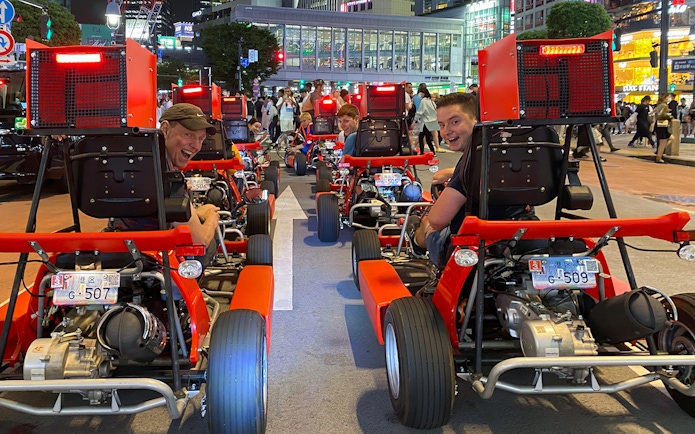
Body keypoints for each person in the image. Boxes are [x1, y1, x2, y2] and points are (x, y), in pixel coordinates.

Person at [111, 103, 220, 248]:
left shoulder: (130, 161)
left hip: (117, 242)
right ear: (165, 129)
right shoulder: (167, 177)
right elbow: (199, 240)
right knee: (212, 243)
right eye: (188, 135)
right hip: (156, 252)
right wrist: (211, 216)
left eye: (201, 139)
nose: (196, 146)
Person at [410, 92, 479, 268]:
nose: (447, 131)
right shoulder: (505, 153)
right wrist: (451, 172)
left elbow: (438, 220)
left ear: (476, 120)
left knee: (428, 223)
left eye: (455, 122)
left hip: (471, 246)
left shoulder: (470, 164)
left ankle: (415, 245)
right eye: (442, 124)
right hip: (522, 234)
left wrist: (433, 221)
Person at [414, 88, 441, 155]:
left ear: (423, 93)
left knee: (421, 137)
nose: (420, 95)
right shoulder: (430, 101)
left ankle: (422, 152)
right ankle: (432, 152)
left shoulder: (424, 101)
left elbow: (421, 111)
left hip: (425, 122)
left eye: (420, 93)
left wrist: (415, 119)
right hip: (431, 121)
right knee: (428, 138)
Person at [653, 92, 674, 164]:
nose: (670, 98)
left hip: (661, 125)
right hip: (661, 125)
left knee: (671, 138)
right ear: (665, 97)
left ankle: (659, 152)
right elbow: (660, 115)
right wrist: (669, 117)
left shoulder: (661, 105)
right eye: (669, 97)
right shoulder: (663, 105)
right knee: (663, 142)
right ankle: (659, 157)